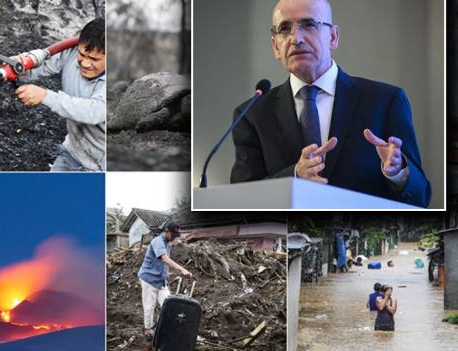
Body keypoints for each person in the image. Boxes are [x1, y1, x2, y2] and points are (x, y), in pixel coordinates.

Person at [229, 0, 431, 208]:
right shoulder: (252, 115)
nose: (296, 39)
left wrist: (398, 171)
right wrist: (295, 176)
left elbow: (421, 196)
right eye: (285, 29)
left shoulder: (386, 101)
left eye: (309, 25)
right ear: (275, 46)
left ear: (333, 37)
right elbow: (241, 200)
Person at [13, 18, 106, 171]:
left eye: (94, 59)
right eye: (82, 55)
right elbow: (42, 65)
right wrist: (18, 66)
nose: (85, 63)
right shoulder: (70, 52)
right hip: (72, 154)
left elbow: (95, 111)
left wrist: (45, 96)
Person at [137, 222, 193, 337]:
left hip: (161, 280)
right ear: (166, 231)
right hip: (149, 278)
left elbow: (162, 263)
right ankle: (148, 330)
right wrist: (182, 269)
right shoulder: (158, 241)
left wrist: (167, 274)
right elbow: (164, 258)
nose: (175, 237)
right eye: (174, 234)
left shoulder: (168, 243)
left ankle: (167, 326)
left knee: (169, 303)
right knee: (149, 305)